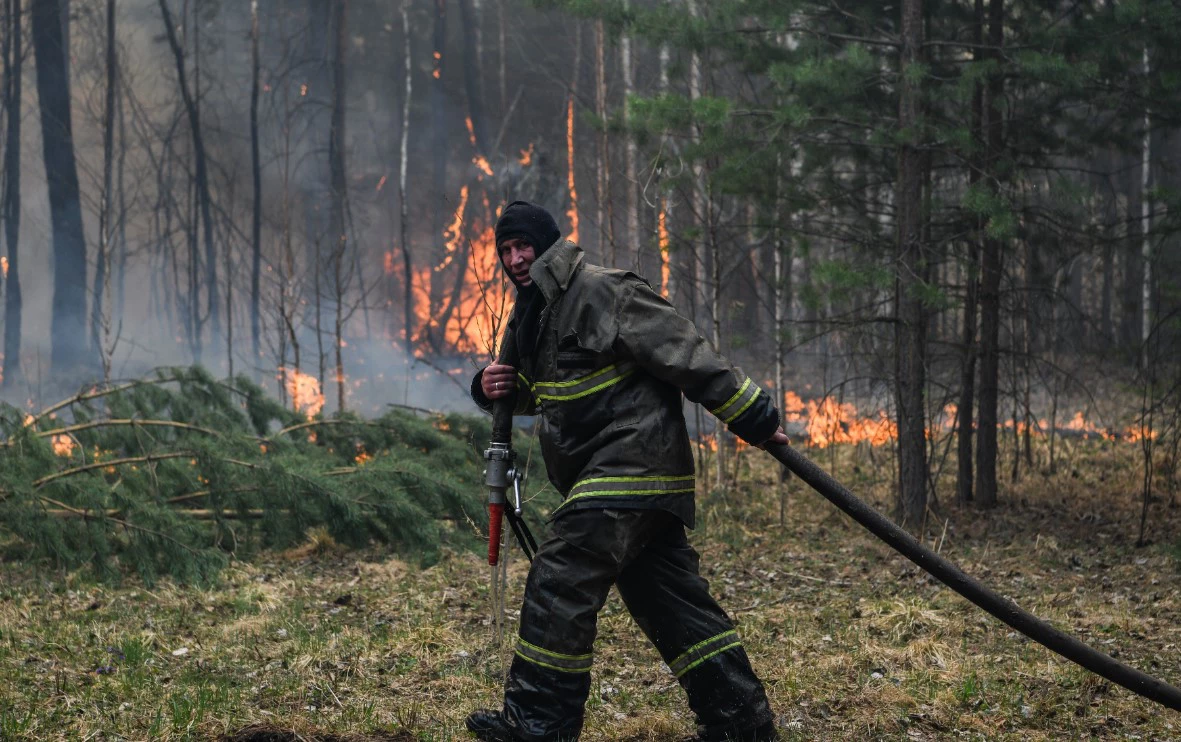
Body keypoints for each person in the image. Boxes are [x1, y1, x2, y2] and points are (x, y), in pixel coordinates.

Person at [466, 201, 787, 742]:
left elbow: (686, 352)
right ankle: (741, 723)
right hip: (611, 474)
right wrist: (494, 390)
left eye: (524, 246)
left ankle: (539, 725)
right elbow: (561, 392)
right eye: (506, 250)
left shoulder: (603, 290)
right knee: (670, 601)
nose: (516, 259)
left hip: (634, 464)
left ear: (548, 245)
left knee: (563, 569)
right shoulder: (535, 313)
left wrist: (753, 416)